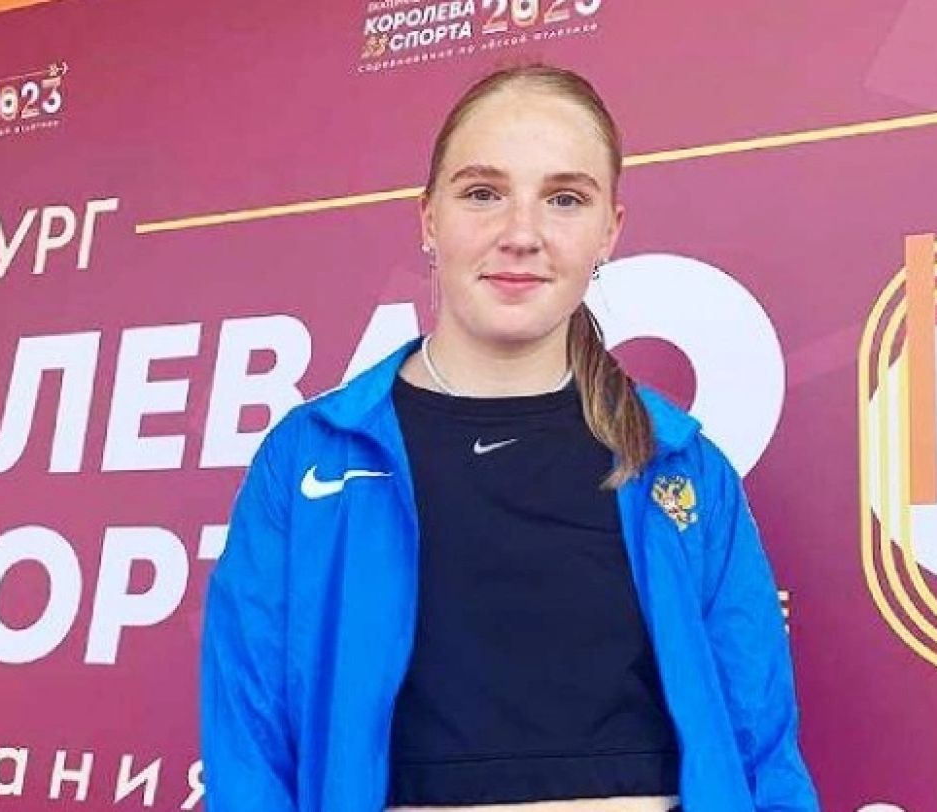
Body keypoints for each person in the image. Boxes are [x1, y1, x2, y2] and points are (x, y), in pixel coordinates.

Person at [200, 63, 818, 812]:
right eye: (483, 193)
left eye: (565, 199)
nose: (521, 234)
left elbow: (762, 749)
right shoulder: (309, 457)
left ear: (609, 231)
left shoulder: (682, 465)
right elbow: (248, 746)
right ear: (429, 218)